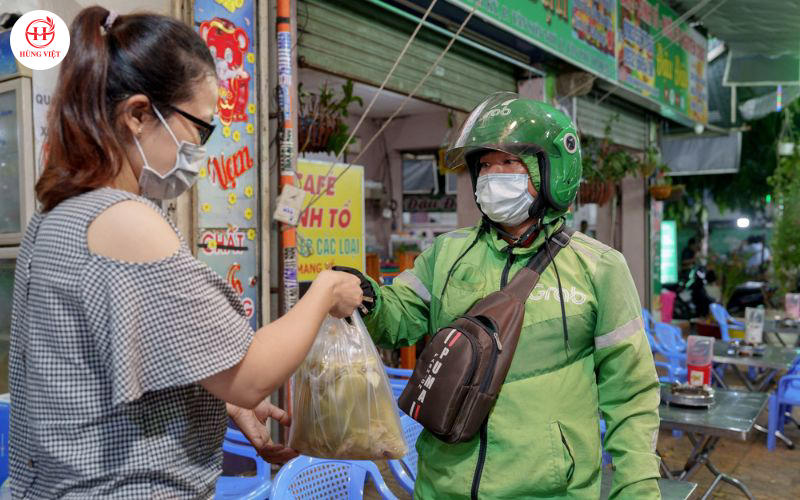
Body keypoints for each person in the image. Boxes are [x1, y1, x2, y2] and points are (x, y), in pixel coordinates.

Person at [9, 8, 363, 498]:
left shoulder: (55, 216)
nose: (200, 147)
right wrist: (325, 289)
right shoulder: (126, 220)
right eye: (200, 127)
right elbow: (251, 375)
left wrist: (214, 394)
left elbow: (109, 363)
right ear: (136, 114)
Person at [338, 93, 661, 498]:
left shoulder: (598, 267)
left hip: (548, 490)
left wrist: (638, 487)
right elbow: (398, 317)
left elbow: (631, 393)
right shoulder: (447, 253)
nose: (494, 175)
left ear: (552, 170)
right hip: (443, 485)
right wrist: (368, 298)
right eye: (485, 165)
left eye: (509, 162)